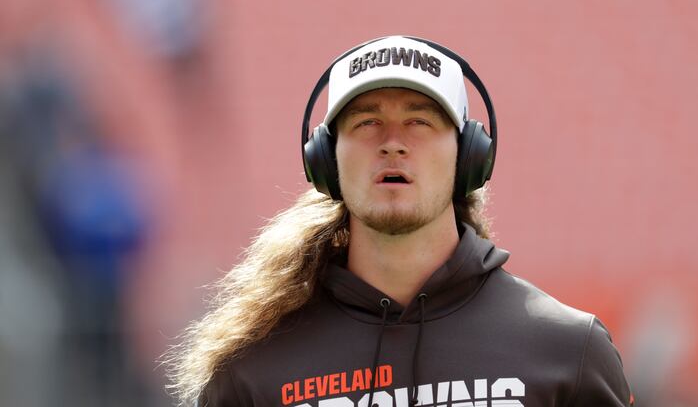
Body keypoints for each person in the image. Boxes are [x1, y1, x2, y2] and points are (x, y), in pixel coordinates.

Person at [164, 35, 633, 407]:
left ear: (468, 156)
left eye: (419, 121)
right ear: (326, 161)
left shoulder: (569, 352)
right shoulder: (251, 368)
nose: (393, 143)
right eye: (366, 122)